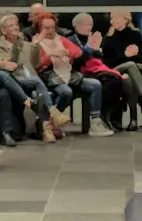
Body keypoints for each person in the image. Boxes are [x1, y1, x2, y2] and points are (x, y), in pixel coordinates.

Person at [0, 12, 68, 143]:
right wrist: (16, 46)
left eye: (16, 24)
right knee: (37, 82)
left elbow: (35, 64)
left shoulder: (25, 44)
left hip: (30, 80)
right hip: (15, 81)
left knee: (37, 94)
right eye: (11, 25)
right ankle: (53, 112)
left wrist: (35, 46)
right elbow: (11, 64)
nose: (15, 27)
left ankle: (46, 130)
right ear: (3, 30)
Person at [33, 13, 104, 141]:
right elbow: (37, 65)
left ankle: (95, 122)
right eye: (46, 28)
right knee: (66, 92)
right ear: (40, 28)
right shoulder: (36, 43)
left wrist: (67, 52)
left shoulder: (60, 39)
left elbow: (78, 52)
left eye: (52, 27)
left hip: (69, 75)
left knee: (95, 84)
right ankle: (52, 120)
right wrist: (51, 55)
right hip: (50, 77)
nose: (50, 31)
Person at [101, 8, 142, 127]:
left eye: (116, 18)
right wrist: (125, 56)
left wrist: (135, 55)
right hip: (114, 71)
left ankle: (133, 121)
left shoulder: (135, 34)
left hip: (130, 75)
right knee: (130, 65)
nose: (112, 21)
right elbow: (106, 63)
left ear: (125, 19)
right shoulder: (109, 38)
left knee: (129, 81)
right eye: (111, 18)